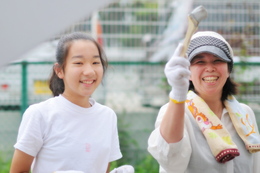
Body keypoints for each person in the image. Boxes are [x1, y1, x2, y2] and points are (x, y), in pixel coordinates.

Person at [10, 32, 126, 173]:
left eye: (96, 62)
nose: (89, 71)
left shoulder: (107, 116)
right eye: (78, 63)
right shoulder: (40, 114)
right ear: (59, 71)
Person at [147, 31, 260, 173]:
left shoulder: (244, 114)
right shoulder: (177, 112)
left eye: (217, 60)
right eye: (200, 62)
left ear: (228, 69)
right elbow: (170, 162)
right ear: (188, 71)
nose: (210, 68)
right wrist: (177, 93)